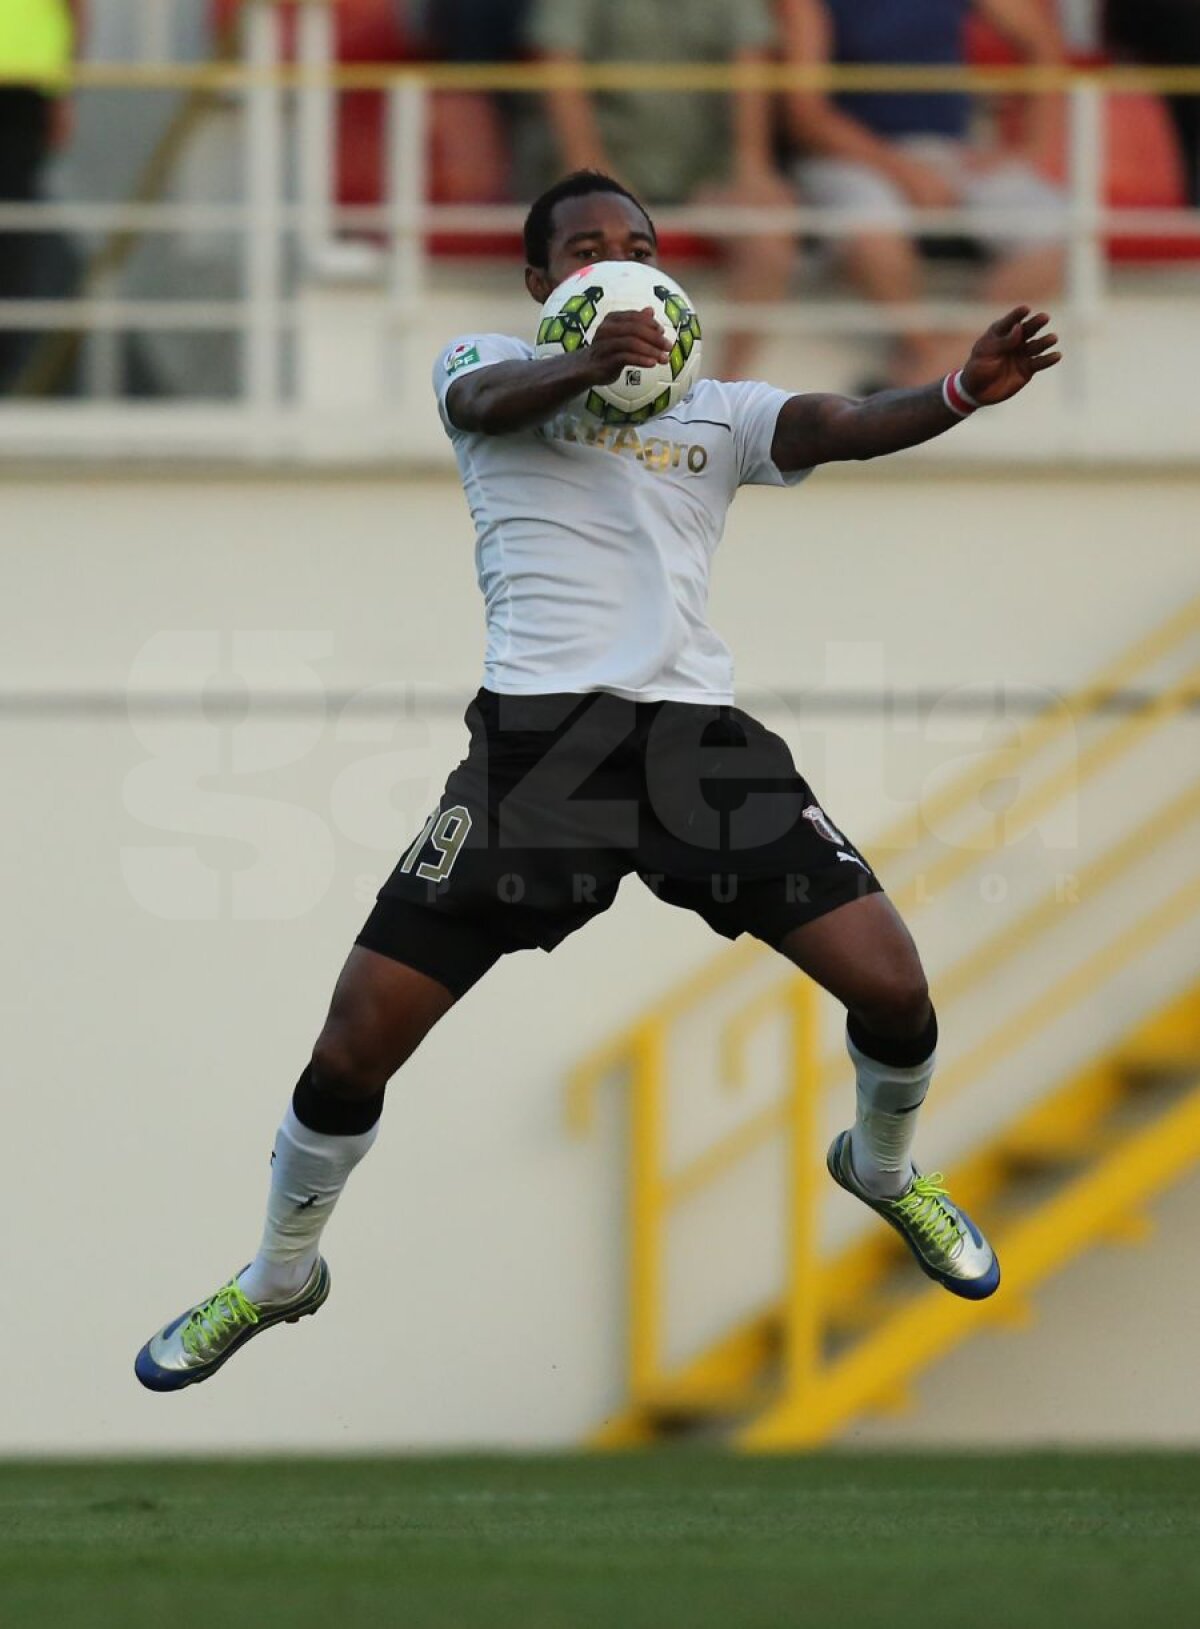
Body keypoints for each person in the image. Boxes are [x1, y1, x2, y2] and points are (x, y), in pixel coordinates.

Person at [135, 170, 1061, 1393]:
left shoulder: (718, 409)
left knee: (893, 987)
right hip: (539, 756)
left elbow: (839, 423)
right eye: (585, 248)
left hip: (697, 751)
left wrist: (957, 393)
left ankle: (883, 1169)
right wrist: (583, 364)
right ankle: (276, 1275)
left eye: (637, 245)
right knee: (356, 1045)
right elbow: (488, 398)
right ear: (543, 283)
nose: (617, 262)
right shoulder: (486, 367)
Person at [782, 0, 1067, 387]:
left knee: (1057, 231)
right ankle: (942, 368)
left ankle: (932, 368)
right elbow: (807, 115)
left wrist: (1029, 148)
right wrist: (902, 171)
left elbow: (1041, 42)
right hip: (848, 155)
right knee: (869, 231)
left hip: (948, 152)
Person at [519, 0, 797, 380]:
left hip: (703, 174)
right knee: (603, 242)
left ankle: (718, 397)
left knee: (767, 238)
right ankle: (590, 383)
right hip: (609, 168)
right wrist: (593, 172)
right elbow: (558, 62)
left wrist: (751, 165)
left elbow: (749, 62)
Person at [0, 0, 78, 390]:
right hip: (30, 81)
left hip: (27, 87)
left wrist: (64, 91)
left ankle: (7, 363)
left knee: (14, 234)